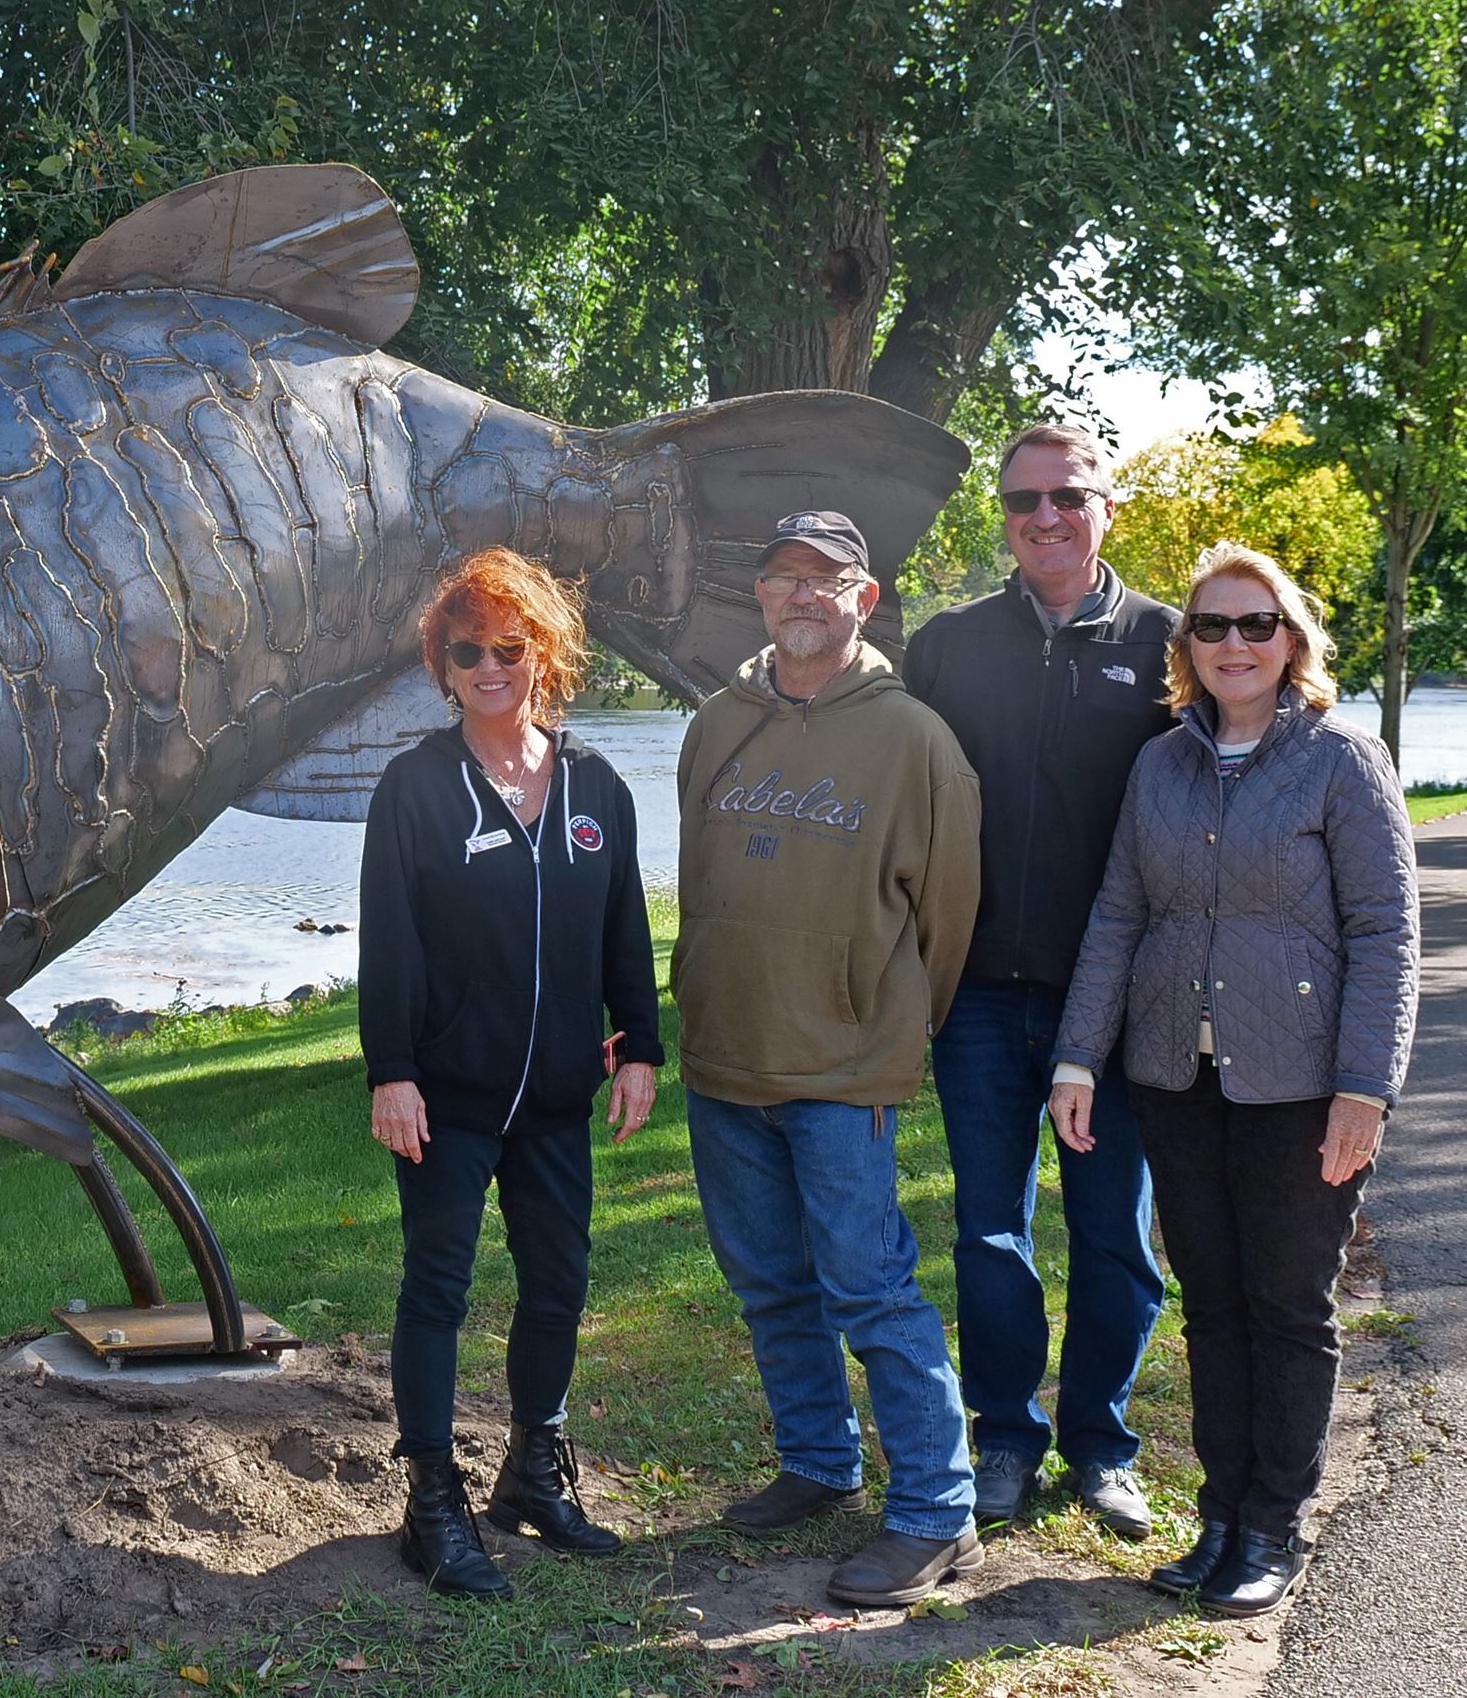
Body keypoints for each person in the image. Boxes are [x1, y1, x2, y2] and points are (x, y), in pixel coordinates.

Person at [1049, 540, 1417, 1617]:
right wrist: (1078, 1054)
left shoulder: (1342, 761)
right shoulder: (1157, 763)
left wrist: (1365, 1088)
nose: (1232, 643)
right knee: (1209, 1303)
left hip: (1303, 1085)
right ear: (1186, 648)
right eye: (1209, 625)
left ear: (1289, 639)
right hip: (1174, 1075)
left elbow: (1384, 933)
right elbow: (1118, 913)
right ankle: (1218, 1511)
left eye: (1253, 623)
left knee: (1286, 1304)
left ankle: (1273, 1521)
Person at [674, 510, 984, 1608]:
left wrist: (881, 1028)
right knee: (768, 1280)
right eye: (780, 578)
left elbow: (945, 918)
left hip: (841, 1069)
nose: (800, 595)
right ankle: (815, 1457)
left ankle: (936, 1511)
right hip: (723, 1058)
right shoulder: (715, 722)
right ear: (756, 598)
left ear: (864, 596)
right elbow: (699, 881)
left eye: (825, 578)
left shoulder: (912, 739)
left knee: (869, 1286)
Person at [359, 546, 665, 1600]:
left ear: (545, 651)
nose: (489, 664)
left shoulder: (593, 785)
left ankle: (531, 1469)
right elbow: (387, 946)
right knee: (436, 1288)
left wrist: (641, 1039)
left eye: (509, 644)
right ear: (439, 667)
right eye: (466, 650)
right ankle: (430, 1502)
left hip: (555, 1098)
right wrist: (389, 1070)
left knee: (558, 1285)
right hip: (445, 1097)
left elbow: (623, 924)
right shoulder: (412, 786)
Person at [904, 425, 1179, 1537]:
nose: (1043, 516)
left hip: (1112, 1000)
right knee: (987, 1231)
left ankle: (1102, 1444)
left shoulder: (1170, 641)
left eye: (1066, 495)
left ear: (1105, 504)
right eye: (1021, 500)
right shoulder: (946, 645)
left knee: (1114, 1231)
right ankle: (1005, 1434)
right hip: (973, 994)